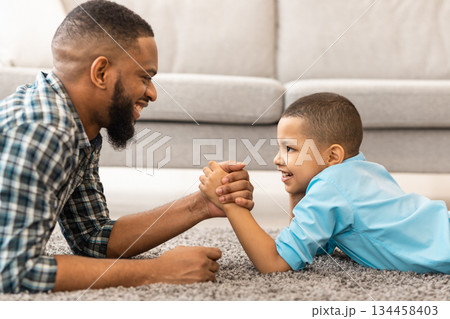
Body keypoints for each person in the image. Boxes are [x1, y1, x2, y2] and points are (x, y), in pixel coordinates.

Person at [0, 0, 255, 293]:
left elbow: (92, 238)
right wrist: (155, 272)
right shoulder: (43, 131)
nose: (153, 93)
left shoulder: (76, 126)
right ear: (101, 73)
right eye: (145, 77)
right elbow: (11, 271)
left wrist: (202, 204)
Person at [200, 92, 450, 274]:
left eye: (290, 149)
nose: (277, 159)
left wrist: (230, 203)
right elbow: (317, 246)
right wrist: (297, 192)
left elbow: (275, 263)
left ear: (332, 156)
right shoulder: (366, 171)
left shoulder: (330, 186)